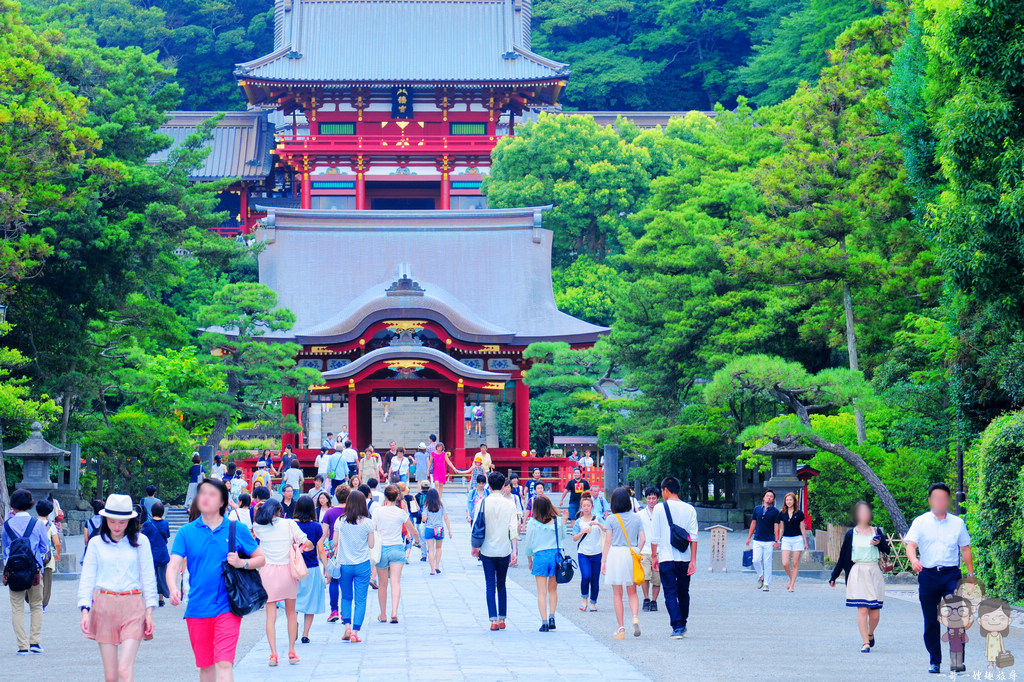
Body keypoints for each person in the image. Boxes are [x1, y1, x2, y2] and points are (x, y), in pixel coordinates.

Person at [168, 478, 265, 680]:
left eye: (212, 494)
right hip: (197, 608)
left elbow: (261, 559)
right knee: (206, 667)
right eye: (202, 493)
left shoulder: (236, 529)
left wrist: (242, 563)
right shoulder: (186, 532)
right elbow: (173, 564)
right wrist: (172, 588)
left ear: (222, 502)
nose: (205, 498)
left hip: (227, 607)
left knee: (223, 663)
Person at [77, 494, 157, 680]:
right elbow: (87, 577)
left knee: (124, 669)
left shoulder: (141, 541)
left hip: (133, 604)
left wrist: (150, 611)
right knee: (111, 675)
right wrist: (84, 610)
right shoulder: (96, 543)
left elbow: (148, 577)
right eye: (112, 521)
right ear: (105, 520)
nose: (117, 526)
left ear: (130, 521)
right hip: (104, 605)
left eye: (122, 522)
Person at [904, 482, 974, 674]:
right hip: (928, 575)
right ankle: (935, 660)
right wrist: (913, 560)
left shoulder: (957, 523)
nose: (940, 501)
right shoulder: (921, 521)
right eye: (936, 498)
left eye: (943, 498)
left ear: (948, 501)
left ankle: (957, 660)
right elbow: (910, 545)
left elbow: (965, 548)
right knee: (931, 621)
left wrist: (971, 574)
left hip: (951, 575)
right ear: (930, 500)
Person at [253, 498, 312, 666]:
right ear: (280, 510)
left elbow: (255, 522)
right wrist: (304, 547)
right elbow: (305, 542)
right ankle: (292, 651)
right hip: (288, 571)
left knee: (270, 616)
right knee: (291, 613)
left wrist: (258, 509)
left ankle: (273, 654)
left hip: (268, 572)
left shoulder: (259, 527)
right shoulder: (289, 524)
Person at [828, 501, 890, 653]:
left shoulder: (876, 531)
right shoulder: (851, 533)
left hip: (873, 571)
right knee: (862, 609)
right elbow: (843, 556)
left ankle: (870, 633)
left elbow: (887, 550)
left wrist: (879, 543)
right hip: (858, 571)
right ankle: (865, 642)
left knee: (874, 613)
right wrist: (834, 576)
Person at [650, 476, 699, 640]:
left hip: (665, 557)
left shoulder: (658, 509)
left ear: (665, 490)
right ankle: (683, 623)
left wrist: (654, 556)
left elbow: (654, 536)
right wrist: (693, 560)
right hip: (684, 557)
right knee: (684, 592)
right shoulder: (690, 509)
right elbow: (694, 537)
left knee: (670, 592)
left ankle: (676, 626)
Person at [3, 489, 50, 654]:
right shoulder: (37, 524)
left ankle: (22, 646)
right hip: (35, 571)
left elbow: (5, 551)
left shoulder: (6, 525)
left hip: (15, 571)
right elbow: (45, 547)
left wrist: (6, 570)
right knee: (36, 605)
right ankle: (35, 643)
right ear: (30, 505)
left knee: (17, 608)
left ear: (13, 505)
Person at [473, 472, 519, 631]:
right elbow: (514, 528)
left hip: (487, 549)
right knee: (502, 584)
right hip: (504, 548)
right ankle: (502, 619)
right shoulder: (510, 503)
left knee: (490, 585)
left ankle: (493, 620)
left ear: (489, 485)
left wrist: (475, 546)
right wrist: (514, 550)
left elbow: (475, 525)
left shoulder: (482, 502)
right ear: (503, 486)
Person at [371, 485, 420, 623]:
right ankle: (394, 612)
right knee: (395, 581)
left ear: (385, 496)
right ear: (398, 497)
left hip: (382, 549)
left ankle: (383, 614)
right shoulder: (401, 513)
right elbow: (413, 531)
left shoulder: (377, 512)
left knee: (382, 584)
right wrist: (417, 541)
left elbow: (373, 529)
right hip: (397, 548)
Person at [602, 487, 645, 639]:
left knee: (617, 593)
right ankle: (635, 617)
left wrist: (603, 560)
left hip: (616, 554)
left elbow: (608, 541)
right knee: (632, 591)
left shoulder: (611, 519)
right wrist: (637, 551)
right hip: (631, 553)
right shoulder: (637, 518)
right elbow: (643, 539)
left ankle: (621, 628)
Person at [332, 490, 375, 643]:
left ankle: (347, 627)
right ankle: (356, 632)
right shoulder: (368, 522)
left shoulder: (340, 520)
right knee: (361, 599)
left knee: (346, 596)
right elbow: (371, 545)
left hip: (345, 564)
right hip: (362, 564)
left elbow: (335, 542)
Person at [523, 495, 564, 632]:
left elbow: (529, 544)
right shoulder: (557, 522)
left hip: (540, 556)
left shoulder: (533, 523)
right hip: (555, 556)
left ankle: (544, 621)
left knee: (541, 592)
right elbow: (563, 537)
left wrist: (529, 559)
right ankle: (552, 616)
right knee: (553, 589)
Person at [293, 497, 327, 644]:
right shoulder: (317, 527)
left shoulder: (291, 525)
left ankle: (293, 626)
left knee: (293, 601)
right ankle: (305, 634)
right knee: (310, 602)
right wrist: (327, 568)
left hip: (294, 568)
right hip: (311, 568)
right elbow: (320, 549)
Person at [322, 485, 350, 622]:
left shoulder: (329, 513)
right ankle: (346, 612)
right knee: (347, 582)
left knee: (334, 580)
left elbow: (324, 534)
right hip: (350, 547)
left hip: (334, 548)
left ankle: (334, 610)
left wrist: (325, 551)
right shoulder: (352, 511)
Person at [573, 493, 604, 613]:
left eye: (588, 505)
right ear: (581, 507)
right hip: (583, 553)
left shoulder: (598, 518)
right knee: (586, 576)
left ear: (592, 506)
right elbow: (574, 538)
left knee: (595, 578)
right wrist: (582, 532)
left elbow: (607, 529)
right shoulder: (578, 522)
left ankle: (593, 602)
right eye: (584, 505)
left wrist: (598, 524)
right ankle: (584, 599)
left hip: (597, 552)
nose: (586, 507)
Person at [745, 489, 780, 592]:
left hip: (769, 540)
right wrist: (749, 537)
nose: (769, 498)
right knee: (755, 560)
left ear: (773, 499)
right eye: (767, 496)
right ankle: (761, 576)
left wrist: (776, 540)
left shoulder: (775, 511)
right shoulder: (757, 509)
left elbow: (776, 526)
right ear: (764, 497)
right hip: (757, 539)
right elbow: (753, 523)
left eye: (771, 497)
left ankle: (766, 584)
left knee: (767, 562)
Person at [141, 502, 171, 608]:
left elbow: (143, 538)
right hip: (162, 554)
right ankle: (161, 598)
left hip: (150, 554)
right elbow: (167, 535)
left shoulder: (147, 524)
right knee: (161, 576)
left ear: (152, 512)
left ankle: (147, 597)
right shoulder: (165, 523)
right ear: (162, 512)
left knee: (149, 576)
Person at [637, 487, 661, 612]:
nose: (651, 500)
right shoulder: (640, 514)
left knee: (657, 578)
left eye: (654, 498)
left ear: (657, 499)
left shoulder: (662, 513)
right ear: (646, 499)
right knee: (645, 576)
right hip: (645, 550)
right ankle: (646, 598)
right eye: (649, 498)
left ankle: (654, 600)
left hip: (659, 550)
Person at [778, 491, 807, 592]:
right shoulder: (782, 513)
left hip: (797, 539)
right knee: (785, 563)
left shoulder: (799, 513)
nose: (789, 501)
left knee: (795, 563)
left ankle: (792, 585)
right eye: (787, 500)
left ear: (794, 501)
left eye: (790, 499)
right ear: (785, 501)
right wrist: (778, 539)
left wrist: (805, 541)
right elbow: (781, 527)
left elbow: (802, 527)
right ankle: (791, 578)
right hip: (786, 539)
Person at [35, 500, 60, 612]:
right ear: (49, 512)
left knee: (34, 579)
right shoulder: (51, 526)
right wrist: (57, 553)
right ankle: (43, 604)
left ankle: (33, 601)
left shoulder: (33, 524)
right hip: (47, 556)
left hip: (34, 556)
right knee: (47, 581)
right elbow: (57, 543)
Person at [420, 488, 452, 575]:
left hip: (429, 528)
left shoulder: (426, 506)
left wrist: (423, 518)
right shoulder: (441, 505)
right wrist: (449, 531)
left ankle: (432, 569)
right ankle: (437, 565)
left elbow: (424, 519)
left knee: (430, 550)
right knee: (439, 548)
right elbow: (446, 518)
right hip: (439, 528)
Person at [977, 598, 1012, 670]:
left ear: (1009, 620)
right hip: (990, 648)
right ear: (979, 621)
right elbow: (987, 643)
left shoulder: (999, 635)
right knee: (991, 656)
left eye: (1000, 618)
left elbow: (1001, 642)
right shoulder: (988, 635)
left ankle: (998, 664)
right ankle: (991, 664)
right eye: (987, 618)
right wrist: (986, 651)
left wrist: (1003, 649)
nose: (994, 620)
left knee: (997, 656)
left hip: (998, 649)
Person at [414, 481, 431, 562]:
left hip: (419, 518)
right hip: (430, 518)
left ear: (421, 487)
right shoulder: (432, 496)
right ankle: (430, 551)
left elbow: (414, 508)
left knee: (422, 538)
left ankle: (424, 555)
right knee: (430, 538)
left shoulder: (417, 496)